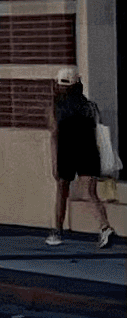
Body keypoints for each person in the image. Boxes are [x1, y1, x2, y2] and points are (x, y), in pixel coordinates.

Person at [48, 68, 120, 246]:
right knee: (90, 192)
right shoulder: (90, 106)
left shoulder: (55, 107)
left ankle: (57, 232)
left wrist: (54, 161)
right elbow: (98, 131)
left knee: (61, 191)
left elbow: (54, 135)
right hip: (88, 152)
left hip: (66, 152)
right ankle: (105, 227)